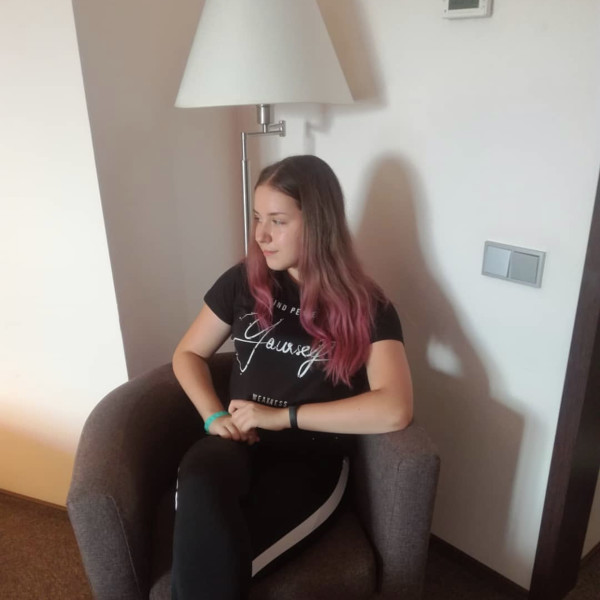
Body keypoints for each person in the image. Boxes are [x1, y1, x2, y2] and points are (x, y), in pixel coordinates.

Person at [170, 154, 413, 599]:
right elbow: (187, 353)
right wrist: (212, 416)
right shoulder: (243, 281)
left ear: (319, 224)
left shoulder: (368, 306)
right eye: (257, 218)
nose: (260, 235)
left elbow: (394, 407)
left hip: (310, 461)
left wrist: (282, 417)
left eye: (277, 221)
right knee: (200, 482)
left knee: (219, 564)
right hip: (234, 443)